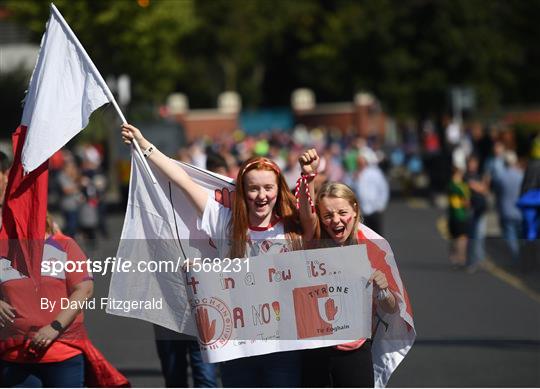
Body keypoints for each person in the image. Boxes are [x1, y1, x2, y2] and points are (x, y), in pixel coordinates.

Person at [121, 123, 309, 387]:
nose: (261, 195)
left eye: (268, 188)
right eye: (253, 188)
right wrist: (144, 145)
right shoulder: (225, 223)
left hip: (284, 347)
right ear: (243, 191)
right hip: (237, 349)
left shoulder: (292, 228)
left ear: (279, 190)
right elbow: (182, 180)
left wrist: (308, 176)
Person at [297, 149, 409, 387]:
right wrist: (308, 177)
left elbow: (391, 309)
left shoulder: (373, 246)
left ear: (355, 210)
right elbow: (305, 214)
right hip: (314, 350)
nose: (335, 220)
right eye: (327, 215)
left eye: (342, 213)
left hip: (354, 350)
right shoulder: (314, 238)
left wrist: (383, 289)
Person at [0, 215, 128, 387]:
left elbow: (84, 289)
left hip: (63, 352)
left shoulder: (64, 245)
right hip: (14, 354)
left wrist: (54, 327)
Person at [447, 166, 470, 267]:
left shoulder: (450, 185)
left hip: (452, 215)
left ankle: (453, 257)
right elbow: (466, 203)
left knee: (454, 236)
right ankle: (461, 258)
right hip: (461, 215)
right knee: (463, 237)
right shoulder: (462, 186)